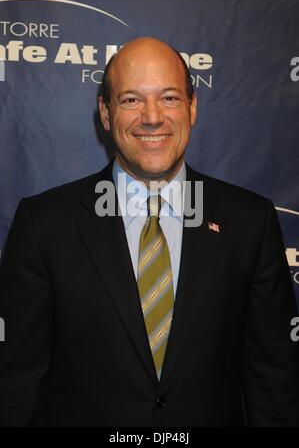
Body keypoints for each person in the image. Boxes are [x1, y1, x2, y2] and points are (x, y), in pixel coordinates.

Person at [0, 37, 298, 427]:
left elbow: (273, 379)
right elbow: (17, 384)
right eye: (131, 100)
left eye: (170, 98)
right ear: (105, 114)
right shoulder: (44, 223)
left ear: (193, 107)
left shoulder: (250, 221)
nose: (153, 117)